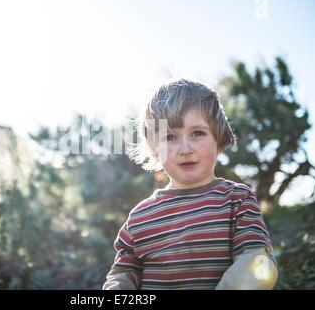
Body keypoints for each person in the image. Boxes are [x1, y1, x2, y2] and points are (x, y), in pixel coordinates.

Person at [102, 79, 278, 290]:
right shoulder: (140, 217)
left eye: (197, 133)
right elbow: (122, 275)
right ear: (154, 149)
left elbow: (255, 262)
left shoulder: (237, 200)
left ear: (219, 138)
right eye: (170, 137)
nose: (185, 148)